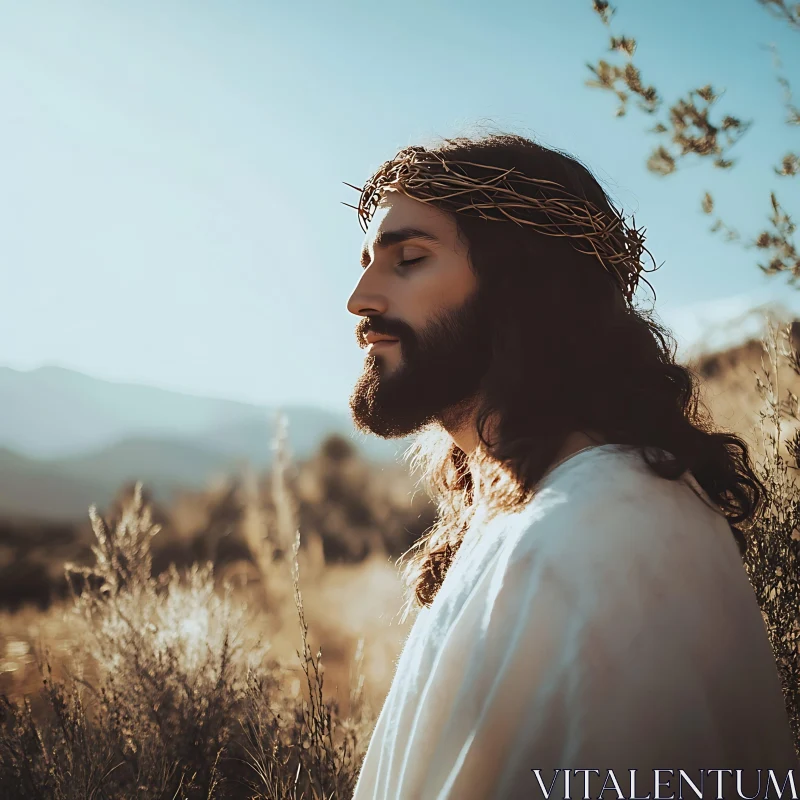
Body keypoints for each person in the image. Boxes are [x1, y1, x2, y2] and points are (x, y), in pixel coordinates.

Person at [343, 132, 799, 799]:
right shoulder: (530, 512)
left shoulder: (604, 534)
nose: (359, 300)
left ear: (522, 289)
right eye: (364, 263)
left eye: (408, 258)